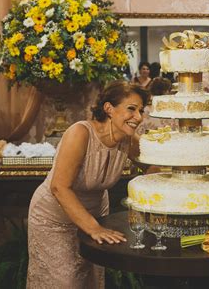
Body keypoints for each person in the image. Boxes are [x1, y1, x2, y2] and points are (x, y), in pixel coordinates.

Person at [27, 81, 150, 288]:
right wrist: (93, 228)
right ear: (109, 108)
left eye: (141, 110)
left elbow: (153, 169)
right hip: (54, 219)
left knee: (89, 281)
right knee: (64, 282)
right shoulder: (80, 133)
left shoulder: (128, 140)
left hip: (96, 216)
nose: (138, 117)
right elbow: (59, 187)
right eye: (131, 109)